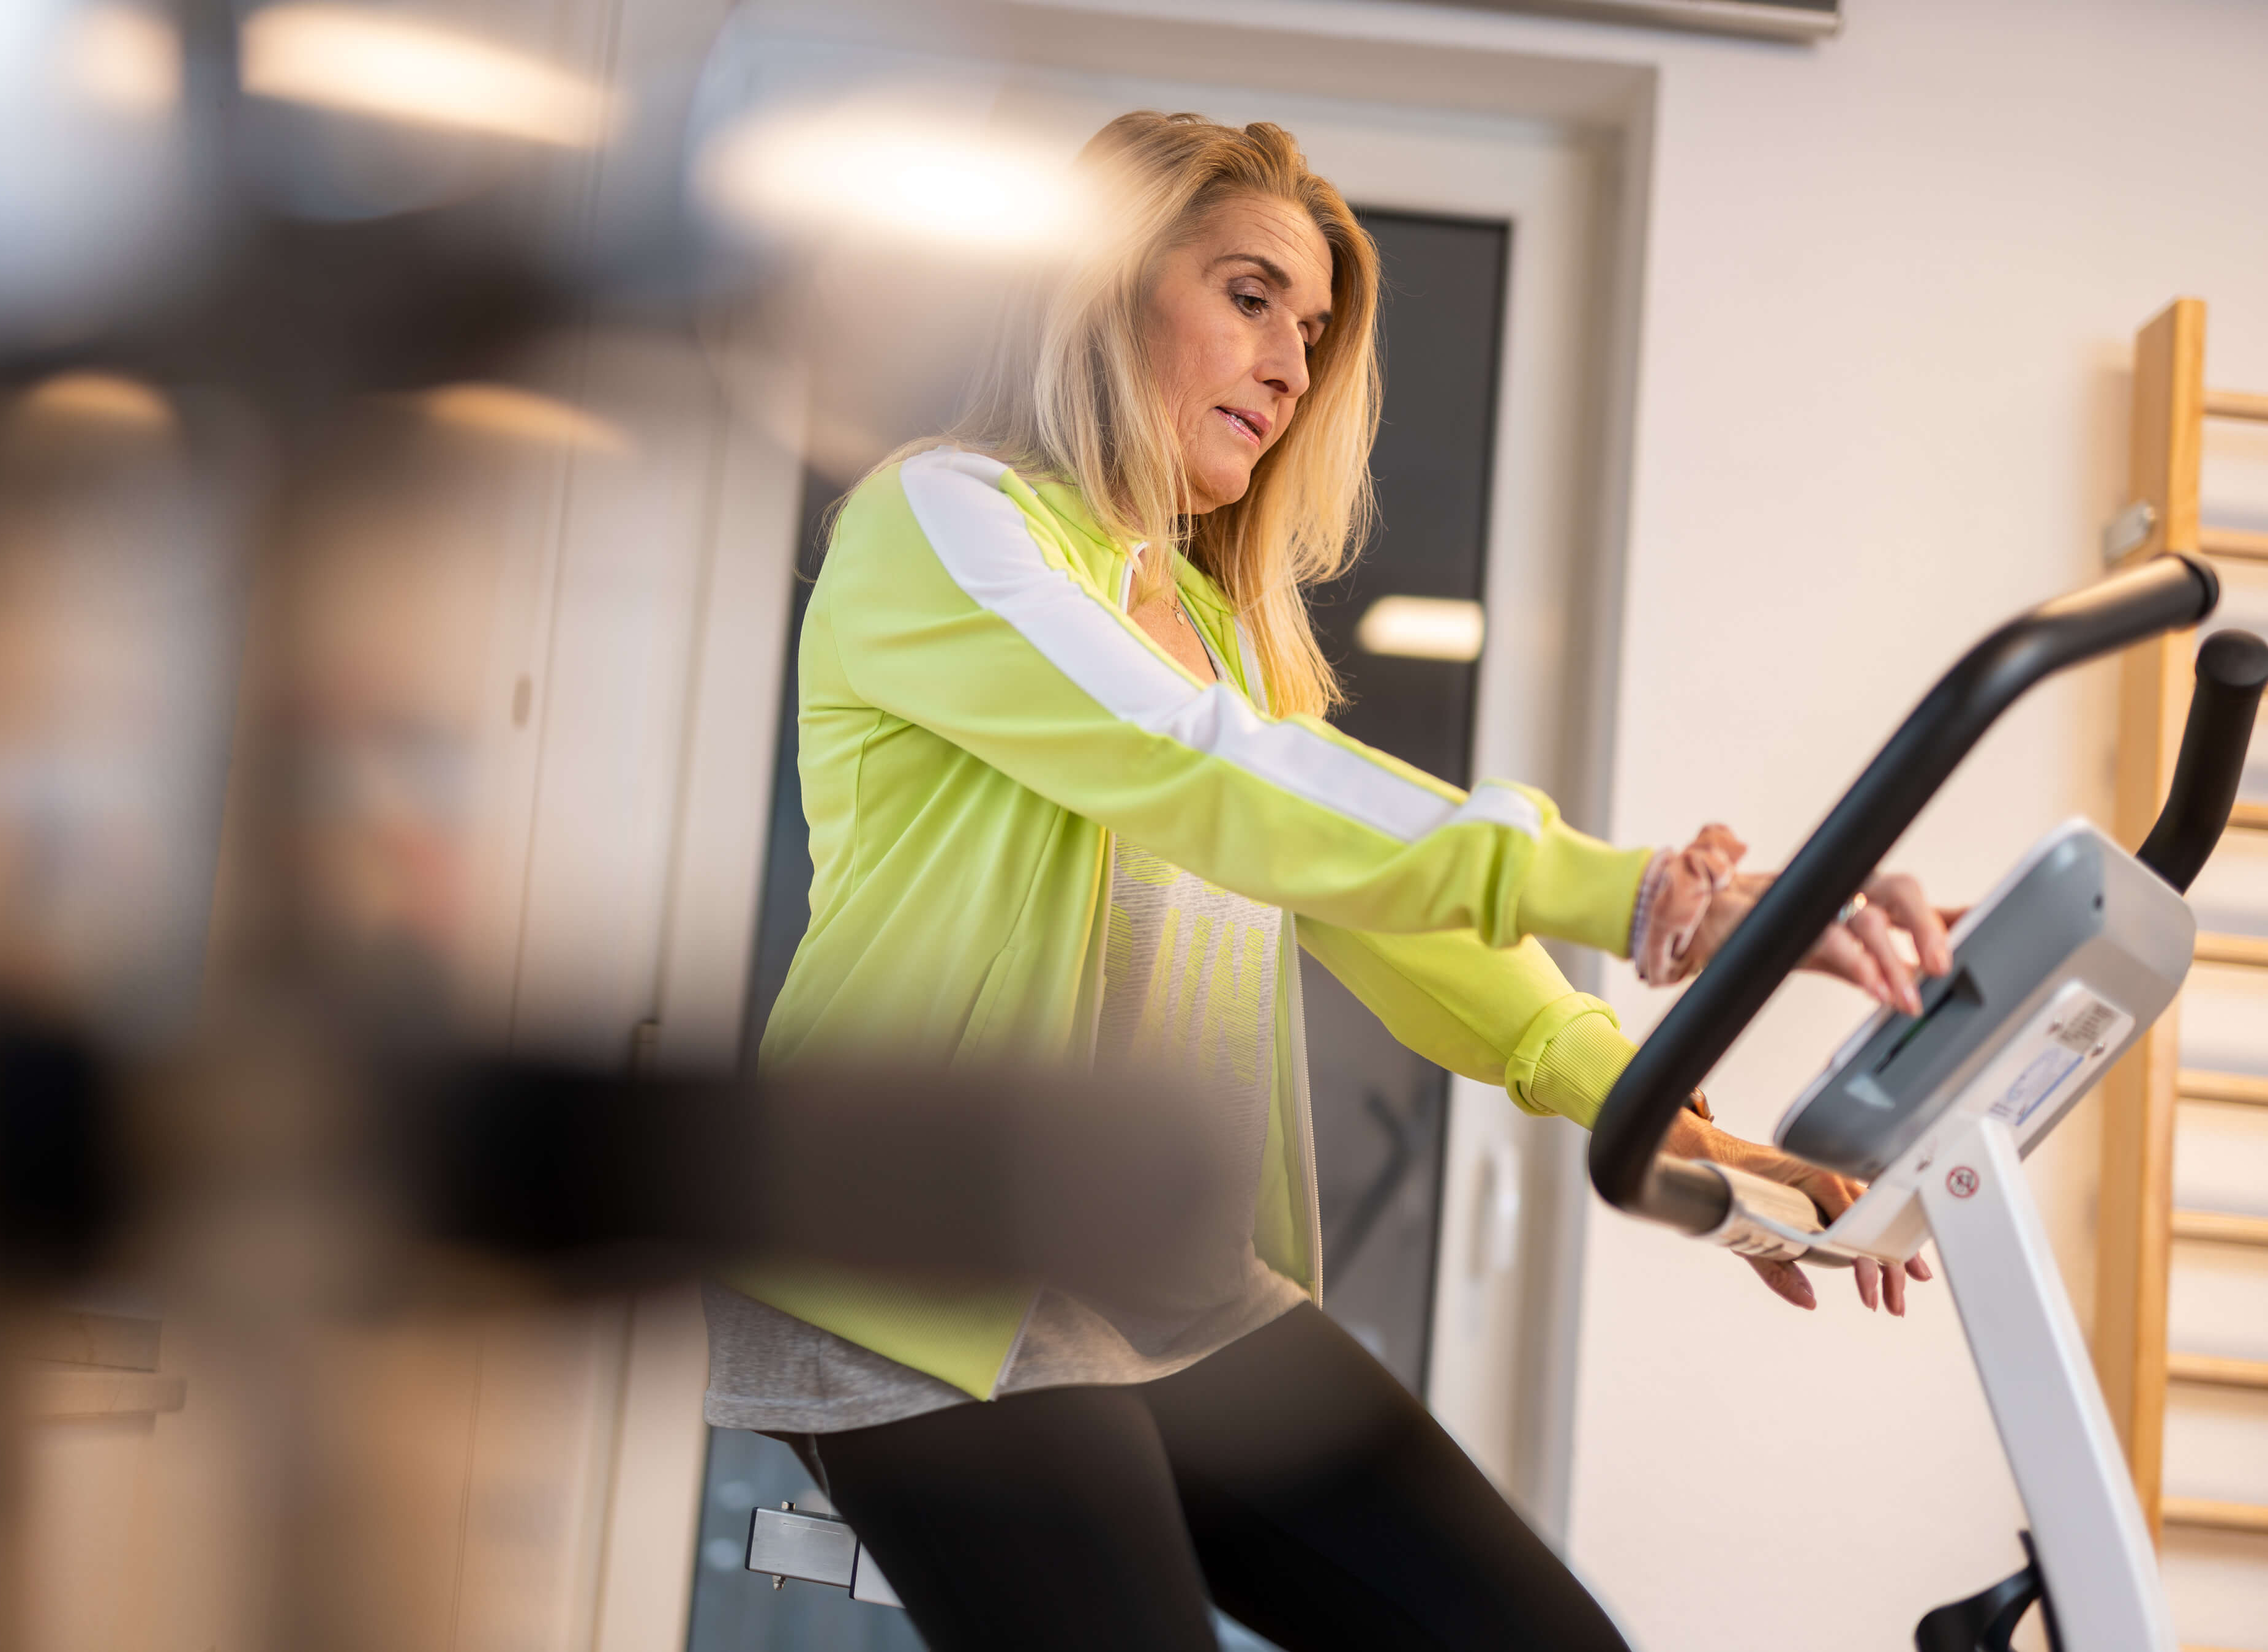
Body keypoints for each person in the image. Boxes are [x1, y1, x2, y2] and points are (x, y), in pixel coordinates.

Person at [703, 111, 1943, 1651]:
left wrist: (1679, 1129)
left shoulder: (1217, 634)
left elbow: (1377, 908)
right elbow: (1199, 769)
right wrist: (1640, 896)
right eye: (1247, 297)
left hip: (1169, 1288)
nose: (1291, 366)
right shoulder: (945, 521)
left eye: (1309, 329)